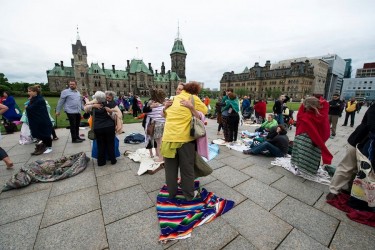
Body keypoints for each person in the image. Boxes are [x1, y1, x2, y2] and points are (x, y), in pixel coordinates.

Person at [161, 82, 208, 201]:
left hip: (168, 139)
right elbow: (205, 111)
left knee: (170, 170)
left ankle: (171, 194)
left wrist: (165, 107)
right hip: (184, 139)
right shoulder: (192, 98)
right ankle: (188, 195)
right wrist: (192, 107)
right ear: (194, 91)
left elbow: (165, 115)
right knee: (187, 169)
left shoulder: (172, 99)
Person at [327, 103, 375, 200]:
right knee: (347, 166)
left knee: (358, 170)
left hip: (367, 143)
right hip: (359, 140)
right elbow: (372, 125)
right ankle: (333, 190)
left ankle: (350, 189)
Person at [291, 96, 332, 177]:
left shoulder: (305, 115)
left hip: (303, 136)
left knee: (300, 152)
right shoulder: (321, 115)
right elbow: (325, 128)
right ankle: (311, 169)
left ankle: (299, 168)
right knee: (314, 154)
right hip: (316, 139)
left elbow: (299, 118)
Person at [84, 91, 116, 166]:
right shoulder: (107, 104)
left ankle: (101, 162)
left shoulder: (91, 106)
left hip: (98, 127)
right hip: (109, 126)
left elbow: (85, 109)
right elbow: (113, 114)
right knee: (110, 144)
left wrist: (92, 105)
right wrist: (110, 111)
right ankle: (113, 160)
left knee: (100, 145)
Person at [26, 85, 53, 155]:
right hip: (36, 120)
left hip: (41, 119)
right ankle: (43, 146)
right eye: (28, 91)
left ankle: (49, 147)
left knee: (45, 134)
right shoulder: (33, 99)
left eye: (30, 91)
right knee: (40, 134)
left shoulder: (39, 99)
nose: (28, 93)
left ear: (35, 92)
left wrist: (27, 107)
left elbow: (31, 108)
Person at [144, 89, 166, 162]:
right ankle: (163, 157)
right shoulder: (164, 103)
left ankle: (161, 158)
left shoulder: (152, 103)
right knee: (162, 142)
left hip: (158, 124)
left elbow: (145, 112)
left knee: (159, 143)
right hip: (164, 124)